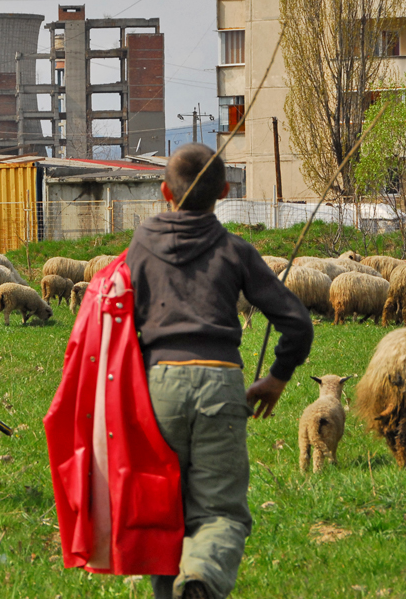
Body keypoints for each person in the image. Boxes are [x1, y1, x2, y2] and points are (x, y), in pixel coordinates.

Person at [125, 143, 314, 598]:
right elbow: (297, 323)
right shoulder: (235, 251)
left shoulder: (140, 246)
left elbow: (119, 319)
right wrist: (278, 377)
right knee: (220, 512)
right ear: (226, 191)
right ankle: (203, 580)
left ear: (164, 192)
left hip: (157, 387)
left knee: (163, 506)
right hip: (219, 382)